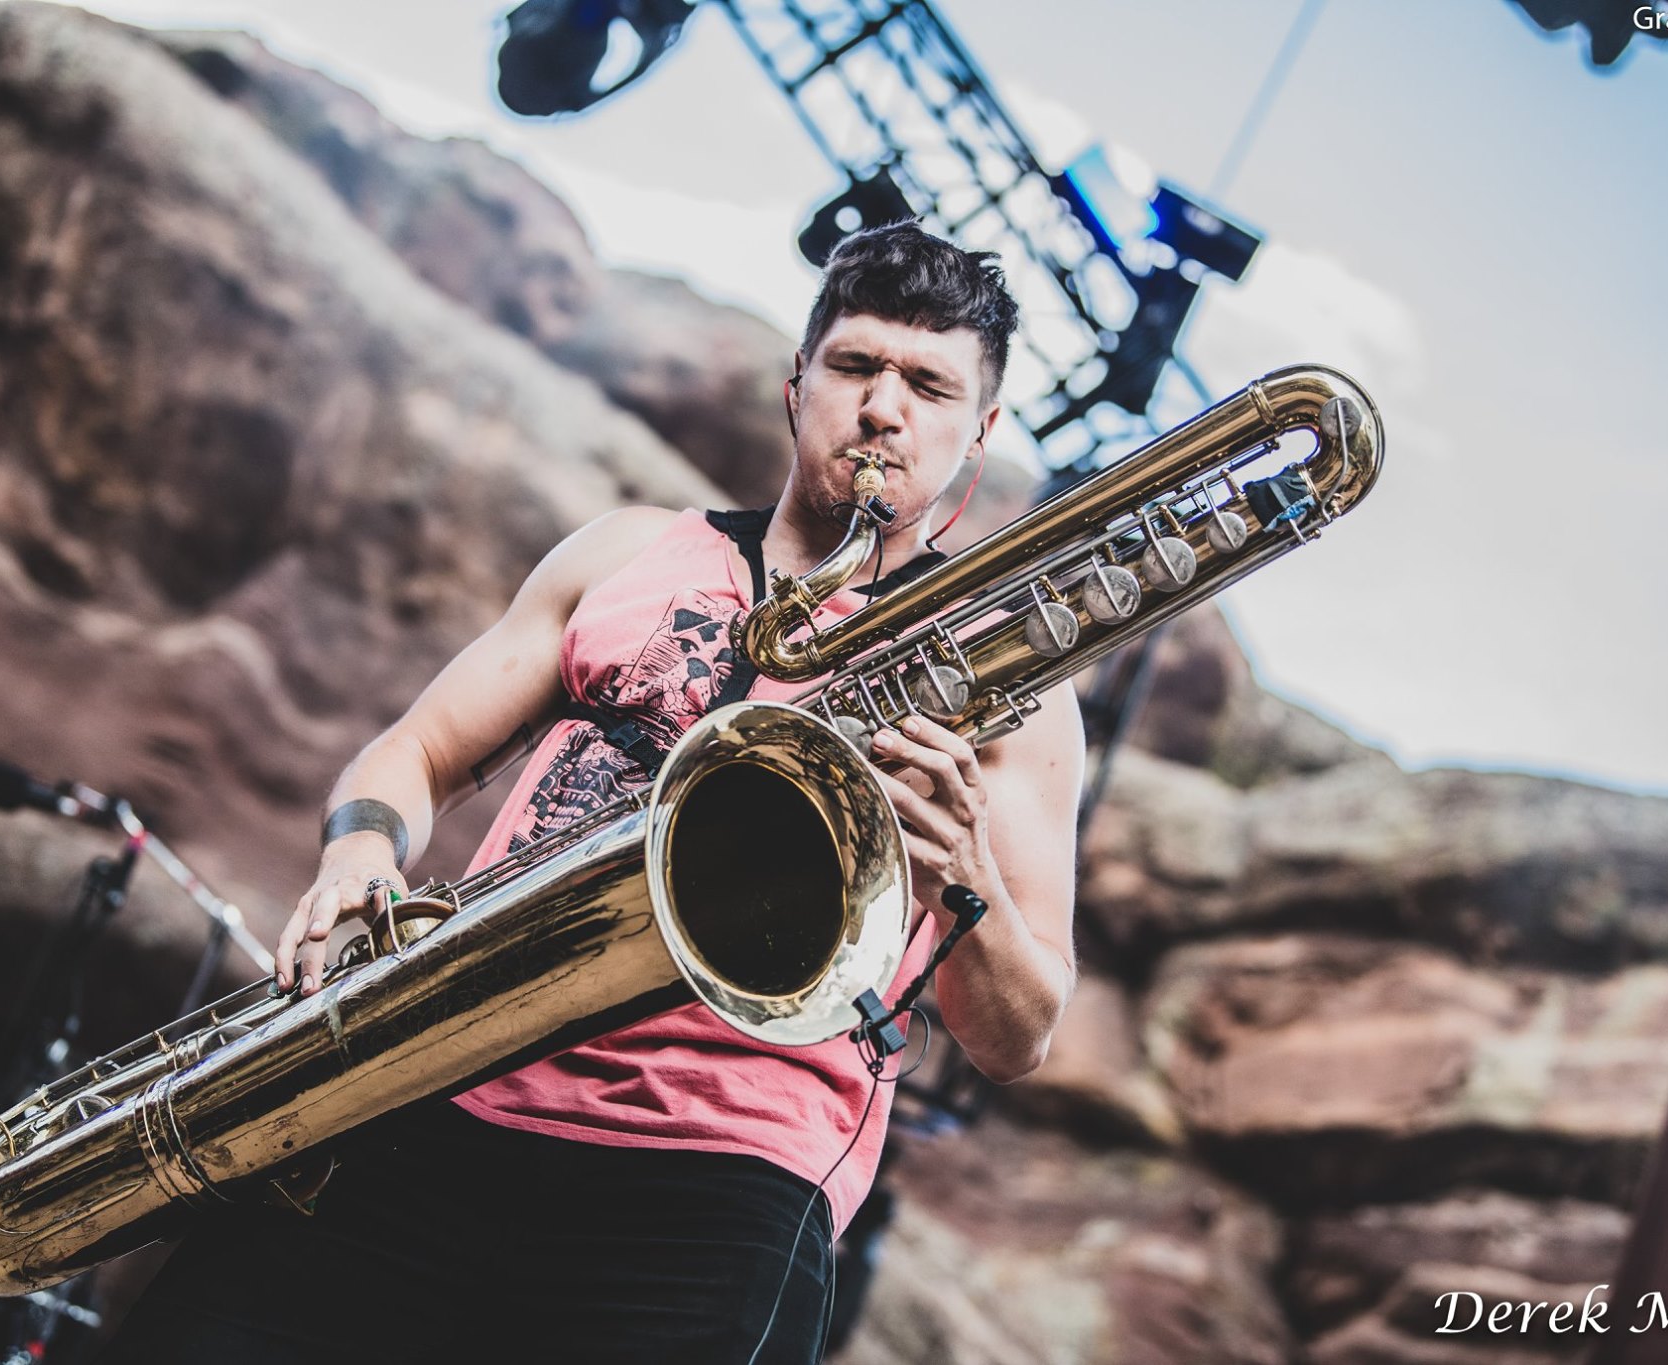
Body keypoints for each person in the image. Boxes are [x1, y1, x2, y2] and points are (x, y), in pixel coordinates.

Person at [99, 221, 1081, 1364]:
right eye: (855, 366)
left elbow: (1018, 1034)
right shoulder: (627, 552)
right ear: (796, 383)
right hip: (439, 1076)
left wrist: (964, 881)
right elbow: (409, 756)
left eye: (926, 385)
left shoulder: (1012, 679)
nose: (881, 409)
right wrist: (358, 855)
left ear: (978, 434)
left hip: (725, 1180)